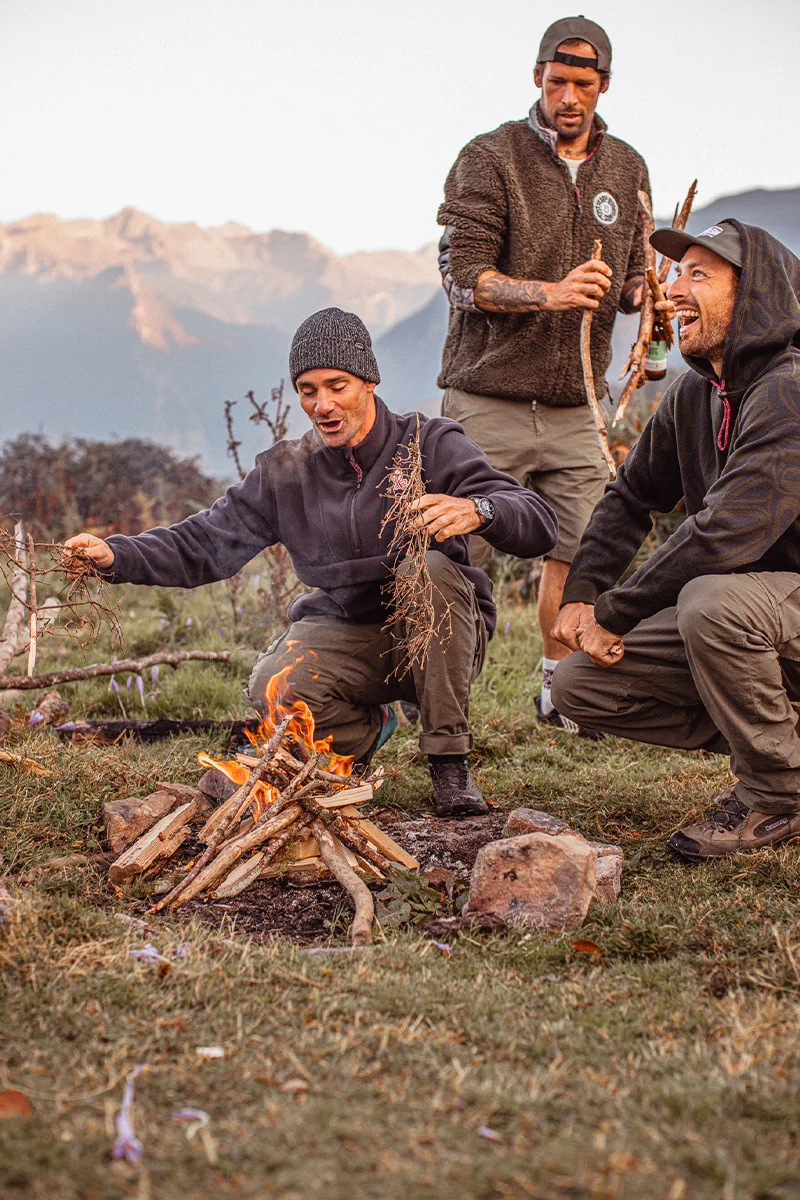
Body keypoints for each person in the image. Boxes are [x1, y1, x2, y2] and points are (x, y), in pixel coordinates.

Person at [67, 307, 557, 817]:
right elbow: (205, 544)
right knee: (271, 688)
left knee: (428, 570)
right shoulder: (285, 472)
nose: (322, 404)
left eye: (336, 385)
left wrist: (479, 510)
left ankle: (448, 762)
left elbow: (538, 521)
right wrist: (115, 555)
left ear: (369, 380)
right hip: (350, 636)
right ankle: (369, 729)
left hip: (441, 635)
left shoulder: (429, 443)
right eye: (307, 389)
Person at [437, 14, 674, 736]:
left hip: (578, 405)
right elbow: (460, 277)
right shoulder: (490, 156)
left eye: (584, 83)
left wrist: (647, 295)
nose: (569, 96)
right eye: (557, 80)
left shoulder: (627, 167)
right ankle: (429, 700)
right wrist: (549, 293)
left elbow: (632, 275)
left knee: (578, 553)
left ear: (603, 85)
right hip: (487, 398)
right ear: (536, 75)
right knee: (451, 555)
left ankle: (556, 693)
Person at [551, 220, 800, 861]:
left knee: (711, 604)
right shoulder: (699, 392)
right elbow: (631, 496)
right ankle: (783, 742)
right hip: (762, 618)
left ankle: (780, 793)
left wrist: (616, 611)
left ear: (753, 295)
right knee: (580, 684)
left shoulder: (789, 390)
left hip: (768, 608)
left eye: (697, 274)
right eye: (672, 272)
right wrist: (583, 594)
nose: (672, 289)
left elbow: (721, 535)